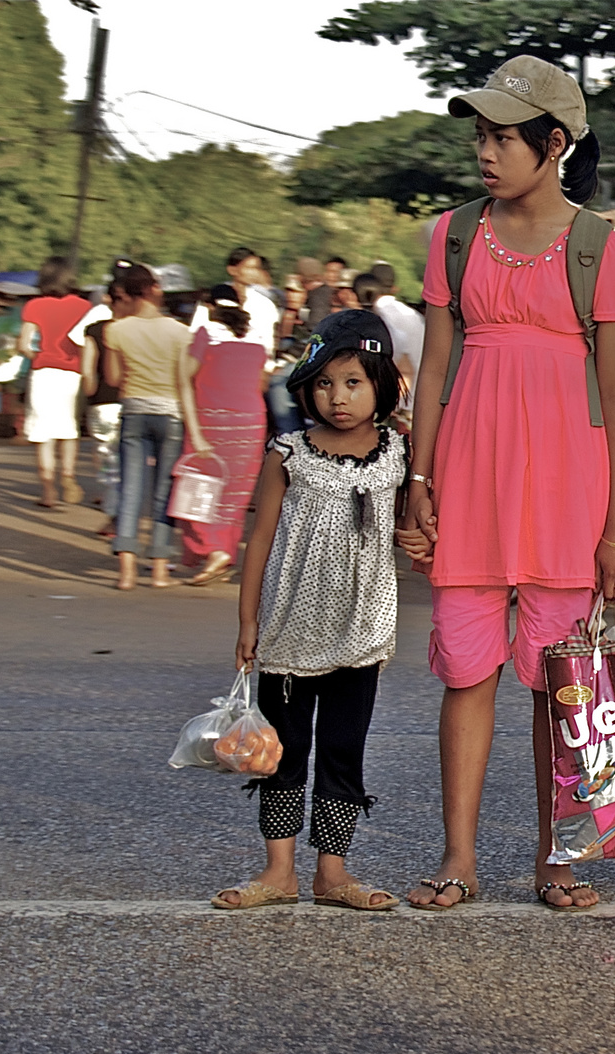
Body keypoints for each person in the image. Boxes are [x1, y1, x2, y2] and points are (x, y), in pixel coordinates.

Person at [397, 54, 615, 912]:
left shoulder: (599, 245)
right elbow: (430, 374)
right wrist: (417, 479)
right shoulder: (453, 235)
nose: (485, 153)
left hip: (565, 491)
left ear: (555, 144)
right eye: (481, 136)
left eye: (503, 137)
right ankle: (457, 857)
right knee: (467, 675)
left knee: (556, 685)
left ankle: (555, 858)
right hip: (468, 478)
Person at [211, 310, 408, 912]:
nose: (338, 397)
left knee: (345, 752)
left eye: (353, 382)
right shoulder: (287, 452)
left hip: (364, 630)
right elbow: (260, 539)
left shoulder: (400, 452)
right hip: (287, 631)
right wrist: (248, 622)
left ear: (380, 381)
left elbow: (415, 525)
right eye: (324, 383)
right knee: (284, 753)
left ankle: (333, 872)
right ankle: (278, 872)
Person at [105, 263, 210, 590]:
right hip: (171, 416)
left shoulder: (117, 330)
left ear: (126, 292)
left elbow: (112, 378)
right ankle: (161, 569)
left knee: (131, 489)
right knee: (165, 492)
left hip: (134, 412)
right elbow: (185, 380)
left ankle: (126, 572)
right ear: (154, 289)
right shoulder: (180, 331)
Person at [179, 285, 271, 585]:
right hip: (251, 422)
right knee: (234, 494)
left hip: (213, 421)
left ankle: (214, 549)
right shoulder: (256, 336)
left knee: (195, 489)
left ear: (207, 306)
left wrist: (193, 429)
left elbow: (183, 379)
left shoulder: (206, 333)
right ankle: (222, 556)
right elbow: (261, 381)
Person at [17, 257, 94, 508]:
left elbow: (23, 345)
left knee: (43, 433)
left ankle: (47, 490)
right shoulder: (84, 306)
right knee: (68, 429)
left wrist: (37, 355)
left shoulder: (35, 306)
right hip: (72, 374)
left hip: (43, 373)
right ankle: (68, 475)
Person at [69, 267, 133, 526]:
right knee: (127, 456)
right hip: (132, 399)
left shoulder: (95, 329)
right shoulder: (136, 328)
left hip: (102, 402)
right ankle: (122, 507)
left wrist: (89, 391)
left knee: (105, 453)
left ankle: (110, 501)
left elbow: (87, 369)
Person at [353, 274, 424, 416]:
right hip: (417, 401)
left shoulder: (379, 320)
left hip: (390, 407)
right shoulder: (413, 315)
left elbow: (403, 369)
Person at [190, 247, 279, 355]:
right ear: (232, 270)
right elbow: (196, 331)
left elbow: (267, 343)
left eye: (256, 268)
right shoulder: (214, 298)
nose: (253, 273)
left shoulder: (264, 305)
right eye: (249, 268)